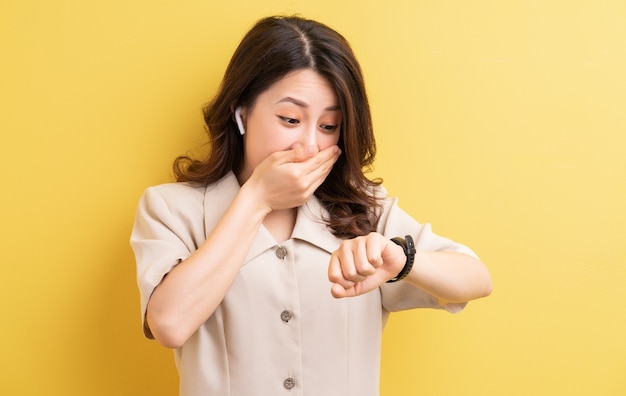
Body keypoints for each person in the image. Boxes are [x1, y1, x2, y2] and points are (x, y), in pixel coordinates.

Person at [130, 15, 492, 396]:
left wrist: (401, 258)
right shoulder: (172, 209)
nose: (309, 146)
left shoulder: (363, 211)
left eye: (328, 126)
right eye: (290, 119)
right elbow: (169, 324)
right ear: (242, 113)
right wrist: (257, 198)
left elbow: (476, 279)